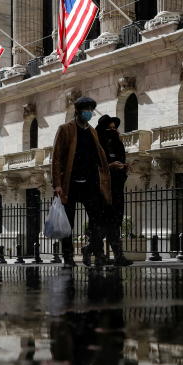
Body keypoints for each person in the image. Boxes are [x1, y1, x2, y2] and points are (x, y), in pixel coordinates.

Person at [50, 97, 112, 267]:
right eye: (86, 110)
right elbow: (56, 158)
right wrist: (57, 184)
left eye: (91, 110)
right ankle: (68, 258)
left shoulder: (92, 131)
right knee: (68, 222)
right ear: (77, 111)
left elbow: (98, 156)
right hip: (70, 183)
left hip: (90, 183)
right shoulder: (65, 129)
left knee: (97, 219)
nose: (89, 113)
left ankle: (98, 254)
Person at [90, 114, 132, 266]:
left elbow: (121, 159)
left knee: (113, 221)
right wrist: (110, 166)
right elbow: (92, 167)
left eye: (115, 128)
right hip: (102, 188)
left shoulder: (117, 144)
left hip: (116, 187)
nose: (113, 130)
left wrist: (124, 168)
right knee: (105, 221)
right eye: (110, 128)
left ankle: (112, 254)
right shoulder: (96, 144)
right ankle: (100, 253)